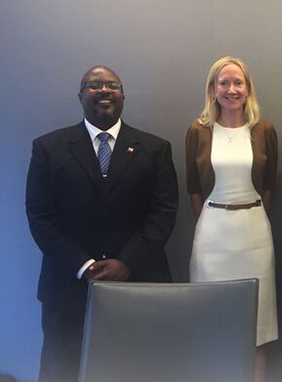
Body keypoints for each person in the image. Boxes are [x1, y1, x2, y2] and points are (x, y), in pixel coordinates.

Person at [26, 65, 178, 382]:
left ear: (123, 95)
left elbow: (163, 214)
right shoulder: (48, 148)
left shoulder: (155, 149)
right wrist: (84, 265)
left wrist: (126, 263)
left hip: (139, 285)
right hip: (68, 287)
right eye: (94, 85)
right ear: (80, 96)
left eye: (112, 84)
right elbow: (40, 217)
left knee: (140, 372)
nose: (104, 90)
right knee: (63, 371)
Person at [186, 56, 278, 382]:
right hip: (212, 236)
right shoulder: (198, 131)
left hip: (254, 235)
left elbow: (270, 187)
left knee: (257, 329)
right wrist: (215, 218)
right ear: (212, 89)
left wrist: (249, 213)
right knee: (211, 321)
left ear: (247, 88)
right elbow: (194, 189)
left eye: (238, 82)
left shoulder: (264, 130)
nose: (231, 89)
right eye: (223, 83)